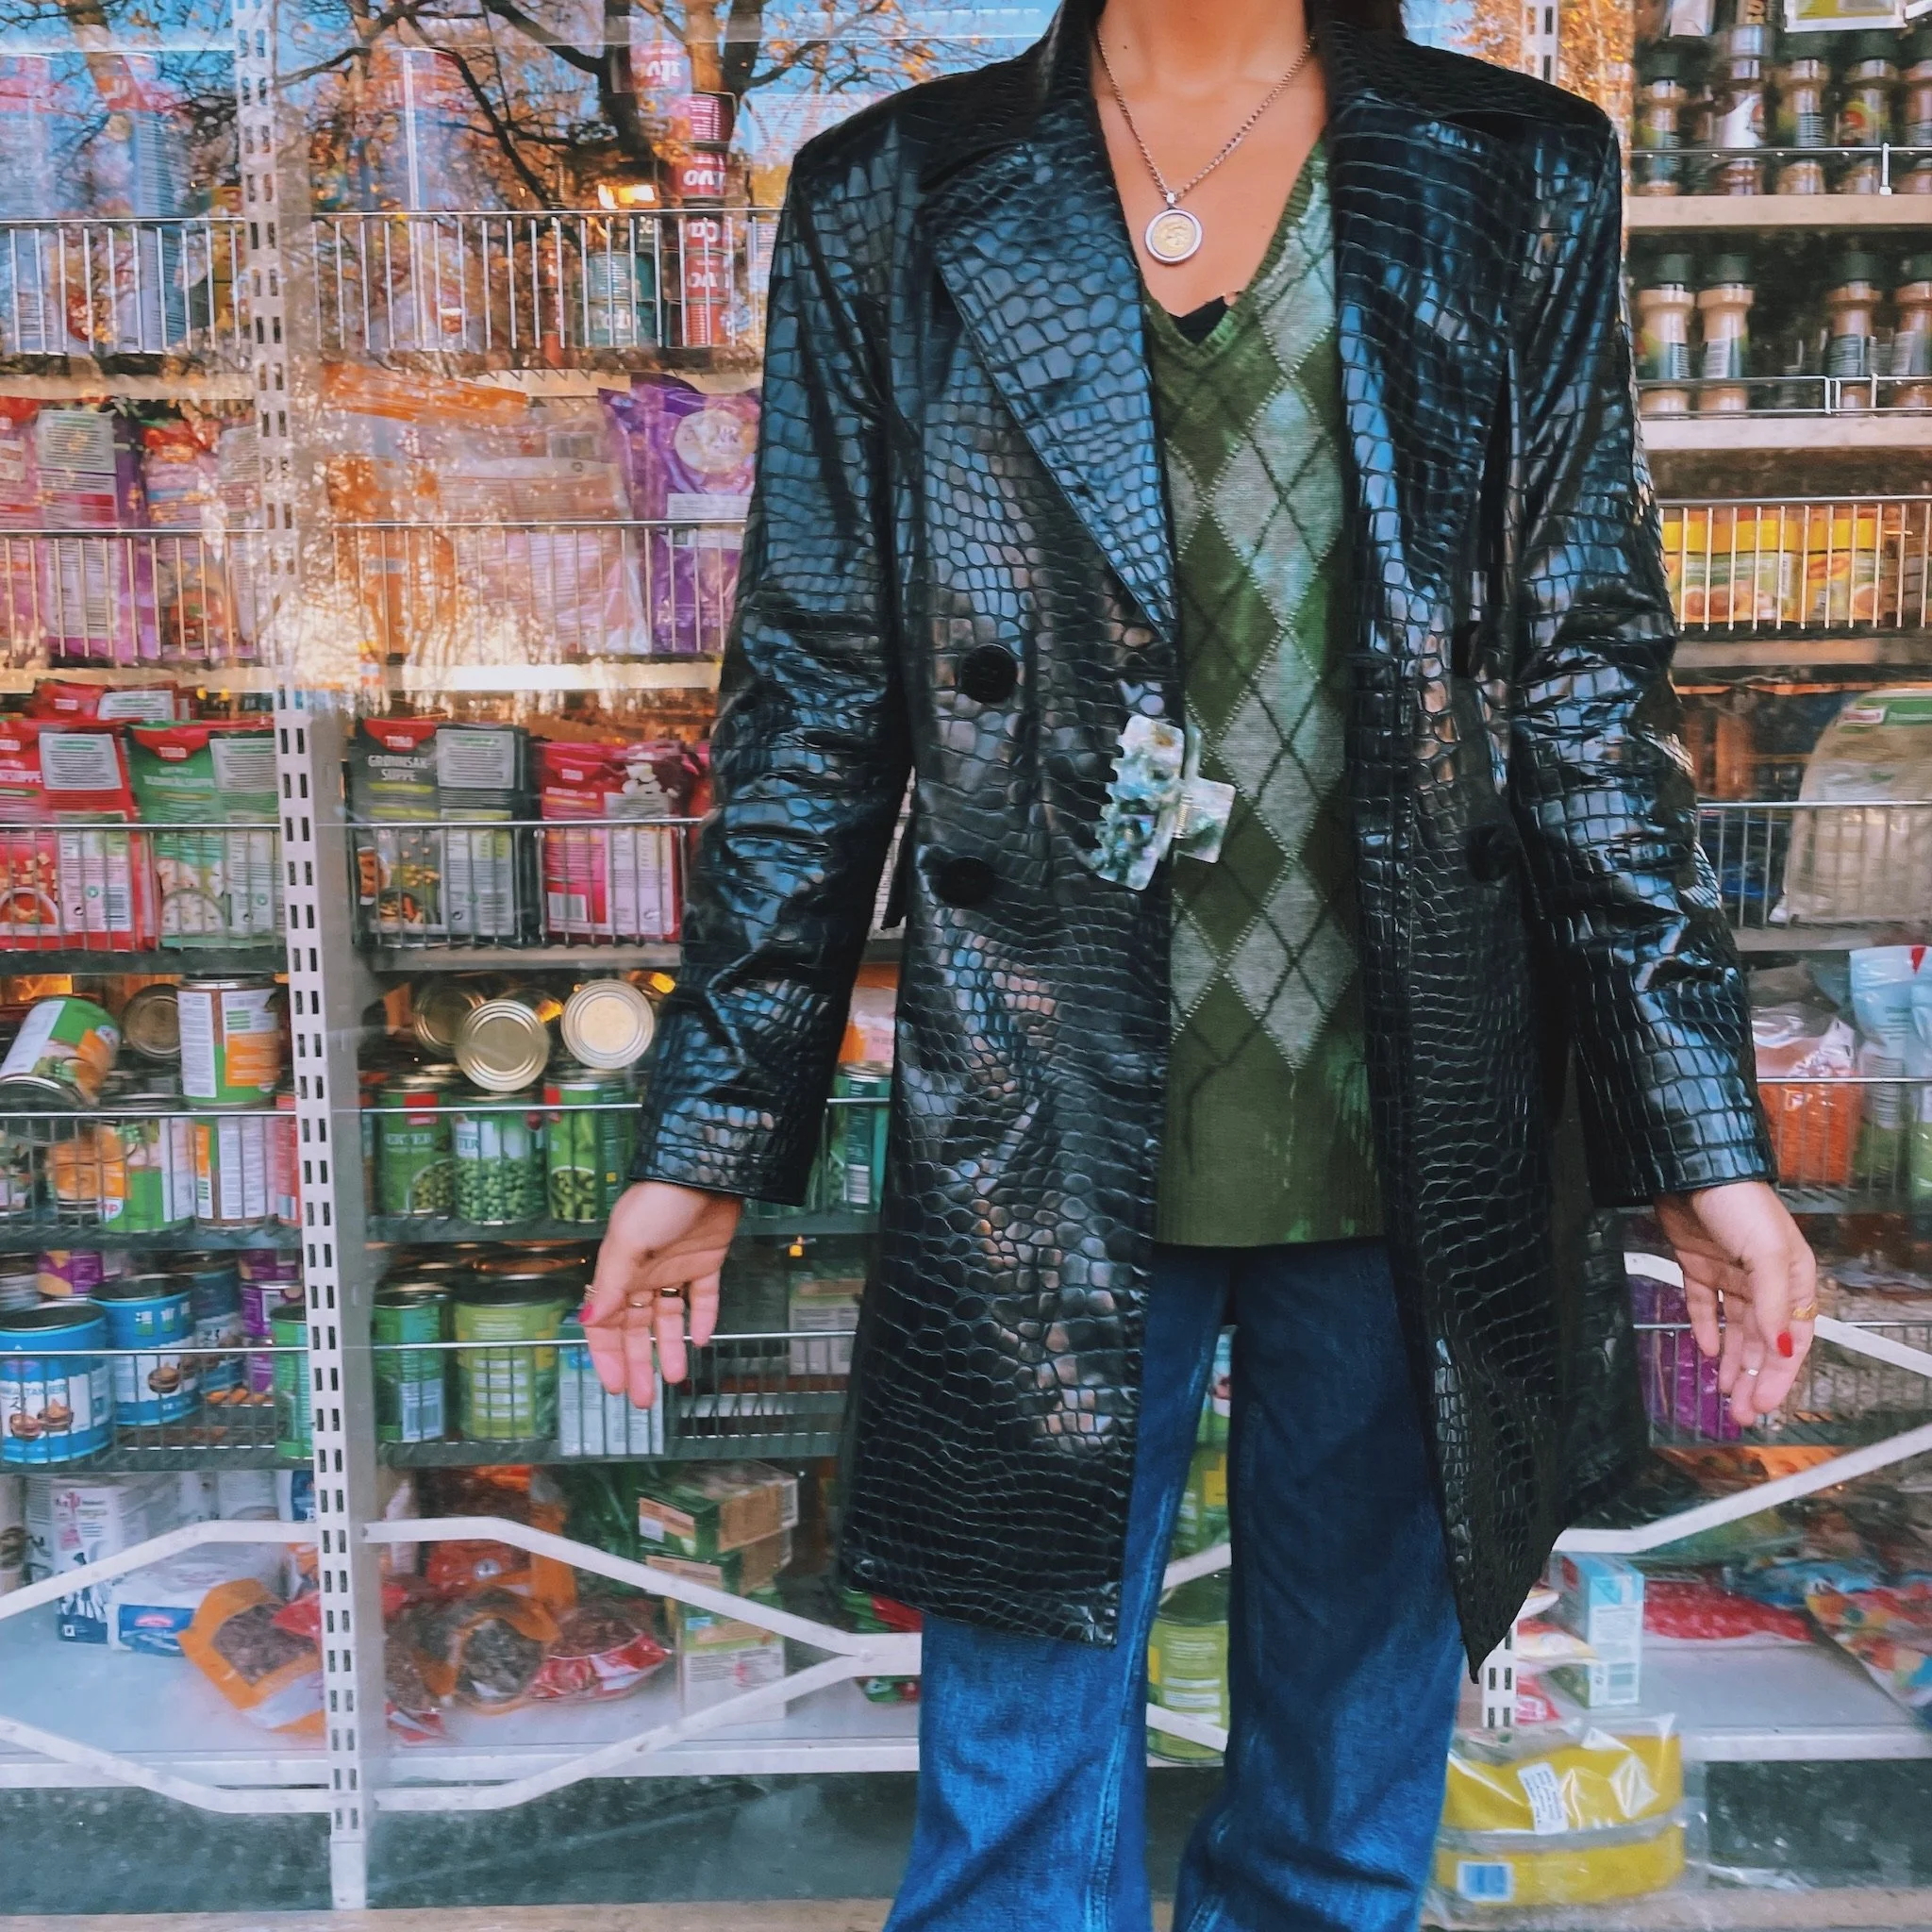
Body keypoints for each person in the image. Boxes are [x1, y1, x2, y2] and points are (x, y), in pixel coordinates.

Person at [585, 0, 1818, 1921]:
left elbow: (1584, 681)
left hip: (1413, 1120)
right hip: (1043, 1121)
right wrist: (711, 1127)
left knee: (1339, 1819)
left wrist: (1701, 1135)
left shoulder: (1509, 169)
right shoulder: (896, 191)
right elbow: (815, 696)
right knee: (1011, 1824)